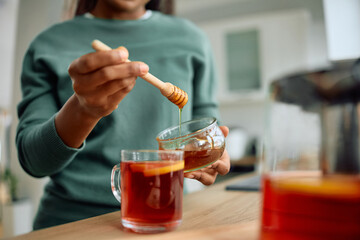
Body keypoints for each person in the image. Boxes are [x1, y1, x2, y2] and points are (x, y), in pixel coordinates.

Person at [16, 0, 230, 230]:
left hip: (164, 217)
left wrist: (211, 157)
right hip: (70, 225)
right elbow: (34, 161)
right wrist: (84, 111)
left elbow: (205, 130)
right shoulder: (48, 44)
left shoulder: (191, 39)